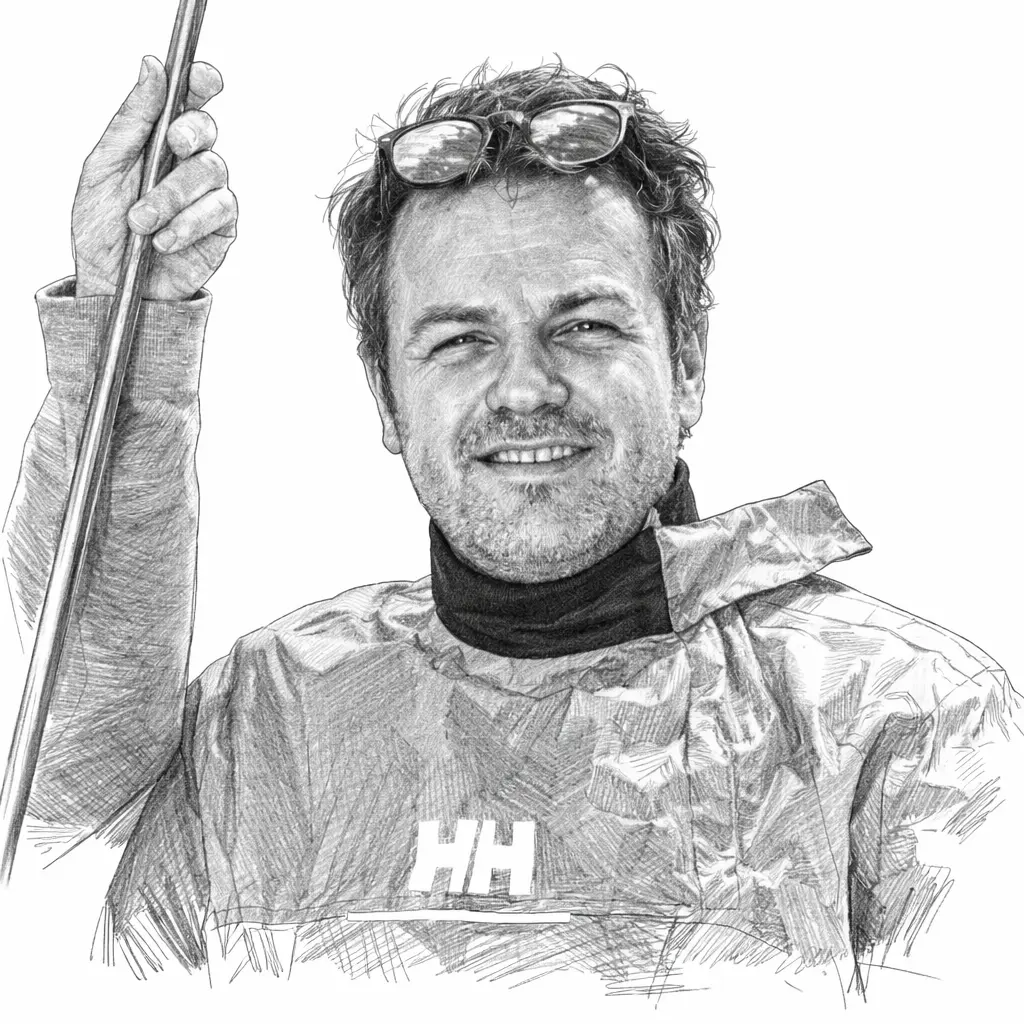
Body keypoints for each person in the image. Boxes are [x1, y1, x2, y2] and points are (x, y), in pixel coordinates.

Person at [2, 54, 1017, 993]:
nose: (525, 388)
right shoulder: (263, 720)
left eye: (585, 326)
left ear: (687, 363)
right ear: (386, 397)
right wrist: (126, 319)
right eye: (459, 341)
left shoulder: (910, 724)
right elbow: (68, 887)